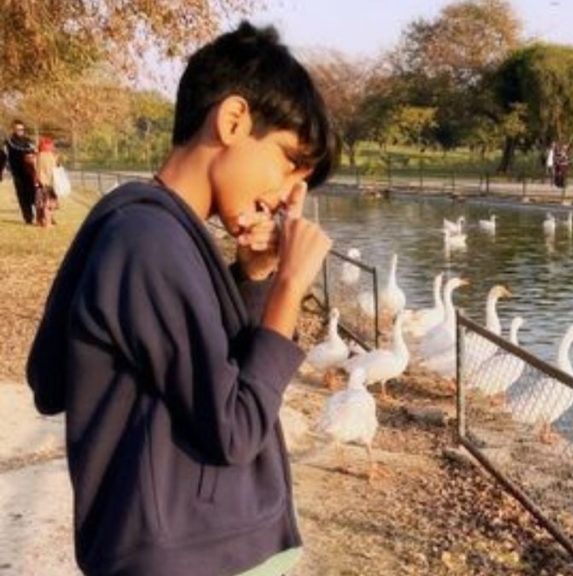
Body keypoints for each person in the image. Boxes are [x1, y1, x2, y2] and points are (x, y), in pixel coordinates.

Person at [26, 21, 336, 576]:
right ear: (234, 120)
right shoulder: (148, 240)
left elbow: (193, 373)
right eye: (288, 162)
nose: (288, 197)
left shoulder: (148, 229)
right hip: (191, 559)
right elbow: (235, 428)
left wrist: (253, 276)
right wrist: (289, 287)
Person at [5, 120, 37, 223]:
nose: (20, 131)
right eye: (18, 129)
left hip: (29, 171)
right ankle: (28, 217)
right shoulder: (10, 141)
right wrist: (29, 149)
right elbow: (16, 149)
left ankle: (41, 215)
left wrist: (34, 150)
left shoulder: (28, 140)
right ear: (13, 129)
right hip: (18, 173)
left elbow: (34, 151)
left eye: (22, 129)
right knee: (22, 195)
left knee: (34, 194)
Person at [34, 136, 59, 227]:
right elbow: (54, 170)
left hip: (39, 183)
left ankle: (39, 221)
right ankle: (47, 223)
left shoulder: (39, 156)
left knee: (40, 204)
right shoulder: (49, 156)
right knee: (49, 205)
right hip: (48, 183)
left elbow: (38, 170)